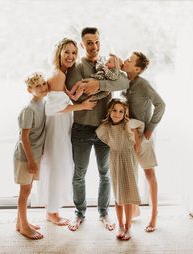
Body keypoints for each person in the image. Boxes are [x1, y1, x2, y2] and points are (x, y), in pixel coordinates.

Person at [65, 27, 130, 231]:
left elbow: (123, 80)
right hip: (82, 129)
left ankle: (104, 213)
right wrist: (103, 86)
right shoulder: (76, 66)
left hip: (105, 129)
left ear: (100, 42)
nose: (94, 46)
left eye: (97, 41)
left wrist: (98, 84)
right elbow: (79, 96)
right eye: (89, 43)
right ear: (82, 45)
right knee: (79, 174)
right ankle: (79, 214)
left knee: (105, 174)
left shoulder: (107, 64)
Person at [37, 38, 97, 226]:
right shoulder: (58, 75)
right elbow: (52, 109)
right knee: (56, 166)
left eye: (73, 52)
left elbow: (59, 100)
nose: (71, 56)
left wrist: (72, 95)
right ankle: (52, 213)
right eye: (67, 52)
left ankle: (53, 209)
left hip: (62, 125)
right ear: (59, 53)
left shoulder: (61, 74)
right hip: (57, 126)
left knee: (60, 165)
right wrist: (82, 106)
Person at [121, 51, 166, 232]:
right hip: (128, 134)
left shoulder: (144, 84)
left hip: (143, 134)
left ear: (137, 68)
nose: (125, 60)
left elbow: (161, 105)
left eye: (129, 60)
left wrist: (148, 131)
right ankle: (134, 210)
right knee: (130, 174)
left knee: (149, 175)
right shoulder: (123, 83)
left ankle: (154, 215)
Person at [96, 98, 144, 240]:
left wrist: (133, 133)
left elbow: (137, 146)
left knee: (128, 195)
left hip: (129, 160)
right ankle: (121, 226)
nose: (117, 114)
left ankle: (129, 227)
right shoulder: (106, 127)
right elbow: (102, 134)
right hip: (115, 160)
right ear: (109, 111)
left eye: (121, 111)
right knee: (118, 196)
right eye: (114, 110)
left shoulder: (129, 125)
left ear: (125, 113)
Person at [13, 72, 48, 240]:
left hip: (34, 155)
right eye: (37, 86)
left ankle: (20, 222)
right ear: (30, 90)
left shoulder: (43, 104)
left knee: (28, 188)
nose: (42, 87)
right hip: (25, 157)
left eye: (43, 83)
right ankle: (24, 226)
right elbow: (23, 137)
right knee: (25, 191)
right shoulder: (29, 109)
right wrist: (31, 161)